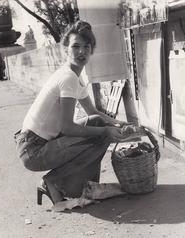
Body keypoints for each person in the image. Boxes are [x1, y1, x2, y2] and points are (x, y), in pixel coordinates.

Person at [14, 20, 144, 206]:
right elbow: (68, 127)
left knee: (98, 122)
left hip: (36, 143)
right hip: (33, 150)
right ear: (66, 49)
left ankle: (86, 186)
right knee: (101, 134)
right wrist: (106, 131)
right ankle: (53, 181)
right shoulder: (67, 78)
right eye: (75, 46)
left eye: (86, 47)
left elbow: (93, 112)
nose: (81, 51)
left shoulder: (74, 76)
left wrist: (119, 124)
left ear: (92, 50)